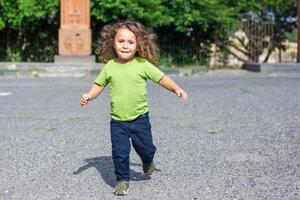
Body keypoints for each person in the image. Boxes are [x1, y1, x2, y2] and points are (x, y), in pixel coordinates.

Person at [80, 19, 188, 196]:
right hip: (118, 121)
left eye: (130, 42)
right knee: (119, 153)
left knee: (146, 148)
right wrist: (89, 96)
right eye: (121, 41)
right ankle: (122, 180)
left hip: (140, 119)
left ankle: (147, 160)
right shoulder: (110, 66)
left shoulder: (142, 65)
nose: (125, 45)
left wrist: (176, 88)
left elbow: (161, 78)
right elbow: (99, 84)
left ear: (138, 45)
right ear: (113, 44)